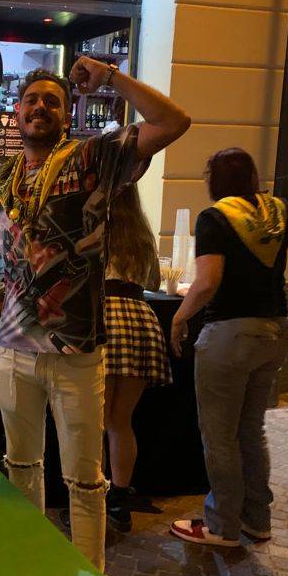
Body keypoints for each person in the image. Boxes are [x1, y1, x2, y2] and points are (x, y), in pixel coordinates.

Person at [0, 58, 190, 571]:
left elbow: (173, 122)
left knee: (85, 477)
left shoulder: (93, 160)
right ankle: (28, 566)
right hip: (11, 348)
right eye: (32, 100)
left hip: (76, 352)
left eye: (53, 100)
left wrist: (112, 78)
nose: (40, 107)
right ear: (17, 114)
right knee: (21, 465)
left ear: (67, 115)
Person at [169, 148, 288, 547]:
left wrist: (180, 319)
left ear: (213, 179)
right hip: (272, 334)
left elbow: (207, 282)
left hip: (228, 336)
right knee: (251, 430)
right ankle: (256, 519)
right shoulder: (281, 210)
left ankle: (221, 526)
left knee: (219, 436)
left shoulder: (215, 218)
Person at [104, 183, 171, 532]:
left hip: (103, 318)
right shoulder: (142, 235)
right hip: (140, 319)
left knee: (93, 422)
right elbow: (156, 281)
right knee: (121, 420)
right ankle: (118, 498)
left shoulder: (95, 226)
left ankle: (90, 499)